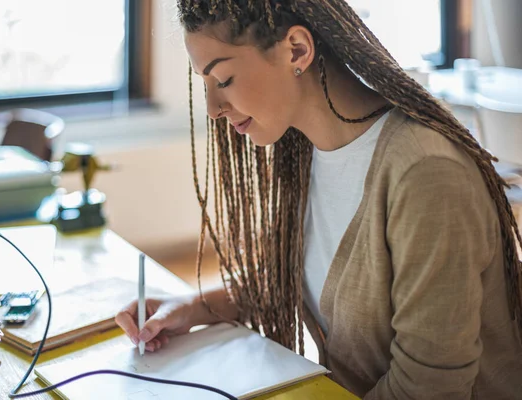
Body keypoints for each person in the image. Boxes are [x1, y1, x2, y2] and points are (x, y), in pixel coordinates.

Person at [116, 1, 522, 398]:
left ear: (297, 49)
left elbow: (431, 386)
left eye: (222, 81)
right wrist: (191, 307)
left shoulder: (425, 173)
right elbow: (295, 278)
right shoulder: (304, 148)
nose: (213, 109)